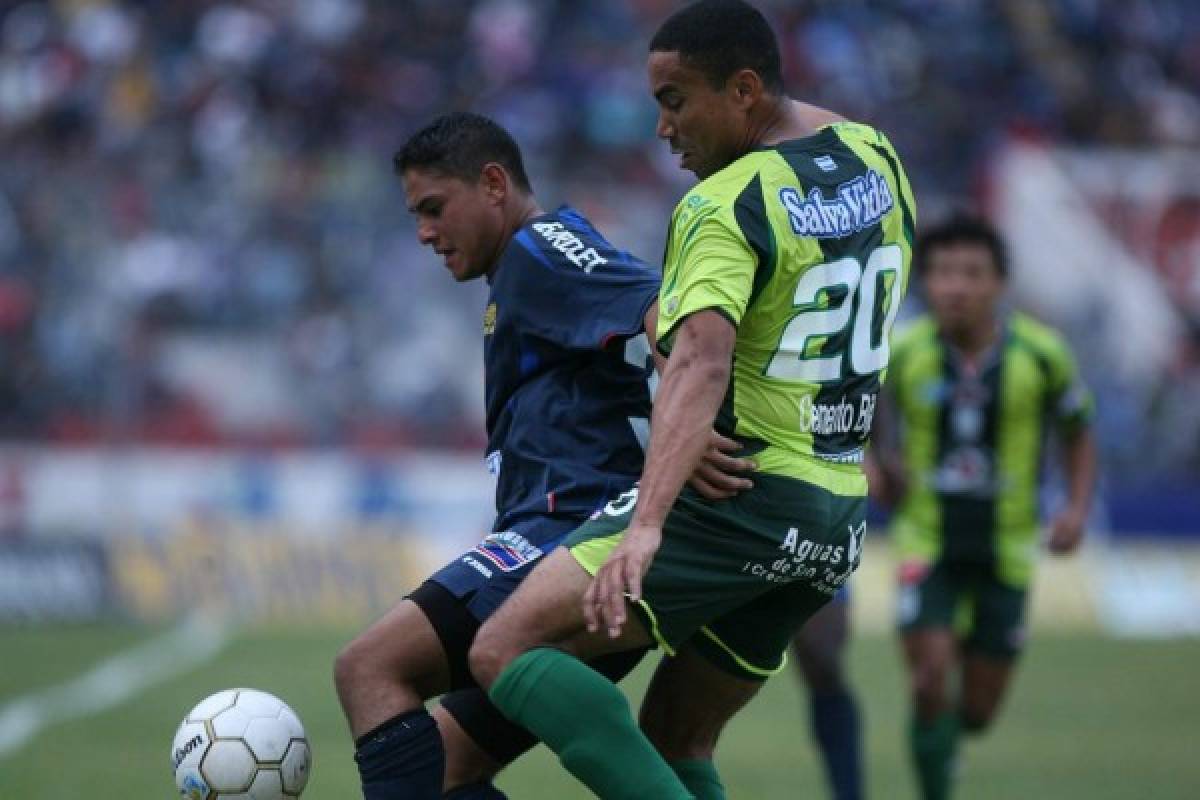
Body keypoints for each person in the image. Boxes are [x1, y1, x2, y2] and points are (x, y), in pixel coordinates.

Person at [467, 2, 917, 798]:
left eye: (675, 101)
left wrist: (646, 526)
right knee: (678, 738)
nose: (663, 129)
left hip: (739, 493)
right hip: (835, 511)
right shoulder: (874, 155)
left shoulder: (724, 204)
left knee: (503, 648)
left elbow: (701, 364)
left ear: (743, 89)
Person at [333, 111, 664, 800]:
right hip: (576, 546)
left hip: (573, 532)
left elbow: (662, 310)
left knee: (369, 668)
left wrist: (700, 420)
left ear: (492, 184)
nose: (424, 233)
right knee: (448, 769)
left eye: (433, 208)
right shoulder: (520, 271)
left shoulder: (542, 250)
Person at [872, 214, 1096, 800]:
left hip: (1008, 550)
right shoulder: (902, 351)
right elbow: (859, 408)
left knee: (975, 711)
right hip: (926, 540)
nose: (955, 287)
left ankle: (949, 745)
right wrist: (877, 463)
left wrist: (1075, 507)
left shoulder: (1043, 355)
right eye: (943, 273)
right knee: (928, 681)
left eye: (971, 273)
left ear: (999, 283)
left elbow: (1078, 429)